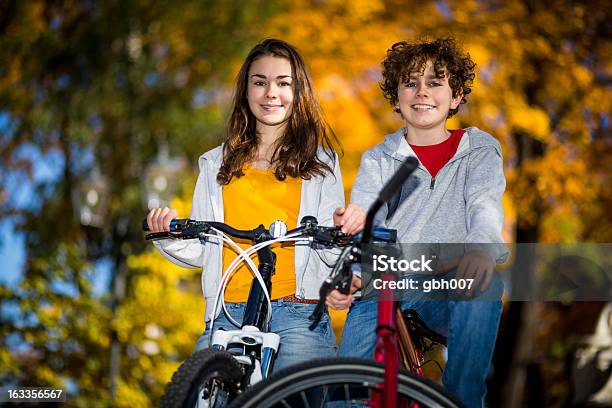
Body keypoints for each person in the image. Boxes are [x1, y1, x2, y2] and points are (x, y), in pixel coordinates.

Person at [146, 38, 345, 372]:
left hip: (296, 313)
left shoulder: (321, 163)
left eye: (284, 83)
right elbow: (202, 246)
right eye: (260, 82)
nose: (271, 93)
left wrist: (341, 240)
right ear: (246, 91)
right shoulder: (215, 164)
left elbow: (329, 244)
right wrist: (167, 233)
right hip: (227, 312)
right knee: (197, 390)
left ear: (298, 93)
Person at [331, 37, 509, 408]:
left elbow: (484, 208)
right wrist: (354, 271)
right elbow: (366, 215)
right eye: (410, 83)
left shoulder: (479, 150)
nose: (421, 92)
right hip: (384, 287)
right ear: (396, 98)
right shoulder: (379, 158)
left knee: (486, 283)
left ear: (457, 96)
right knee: (345, 394)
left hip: (447, 282)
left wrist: (479, 250)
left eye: (435, 82)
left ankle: (463, 401)